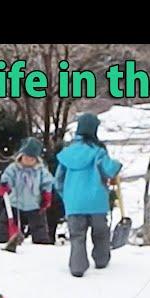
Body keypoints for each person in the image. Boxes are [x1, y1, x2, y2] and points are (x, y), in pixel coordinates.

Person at [55, 113, 123, 277]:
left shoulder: (67, 154)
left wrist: (67, 196)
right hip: (96, 202)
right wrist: (117, 164)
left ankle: (77, 267)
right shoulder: (98, 152)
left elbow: (58, 181)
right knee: (100, 233)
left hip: (74, 203)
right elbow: (109, 169)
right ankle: (101, 260)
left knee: (77, 236)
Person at [0, 137, 54, 244]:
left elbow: (47, 183)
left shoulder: (41, 170)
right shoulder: (14, 168)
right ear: (21, 156)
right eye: (26, 157)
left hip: (34, 204)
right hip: (15, 203)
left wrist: (46, 195)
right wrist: (4, 185)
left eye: (32, 159)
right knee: (4, 223)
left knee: (39, 227)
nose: (29, 161)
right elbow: (7, 178)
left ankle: (42, 244)